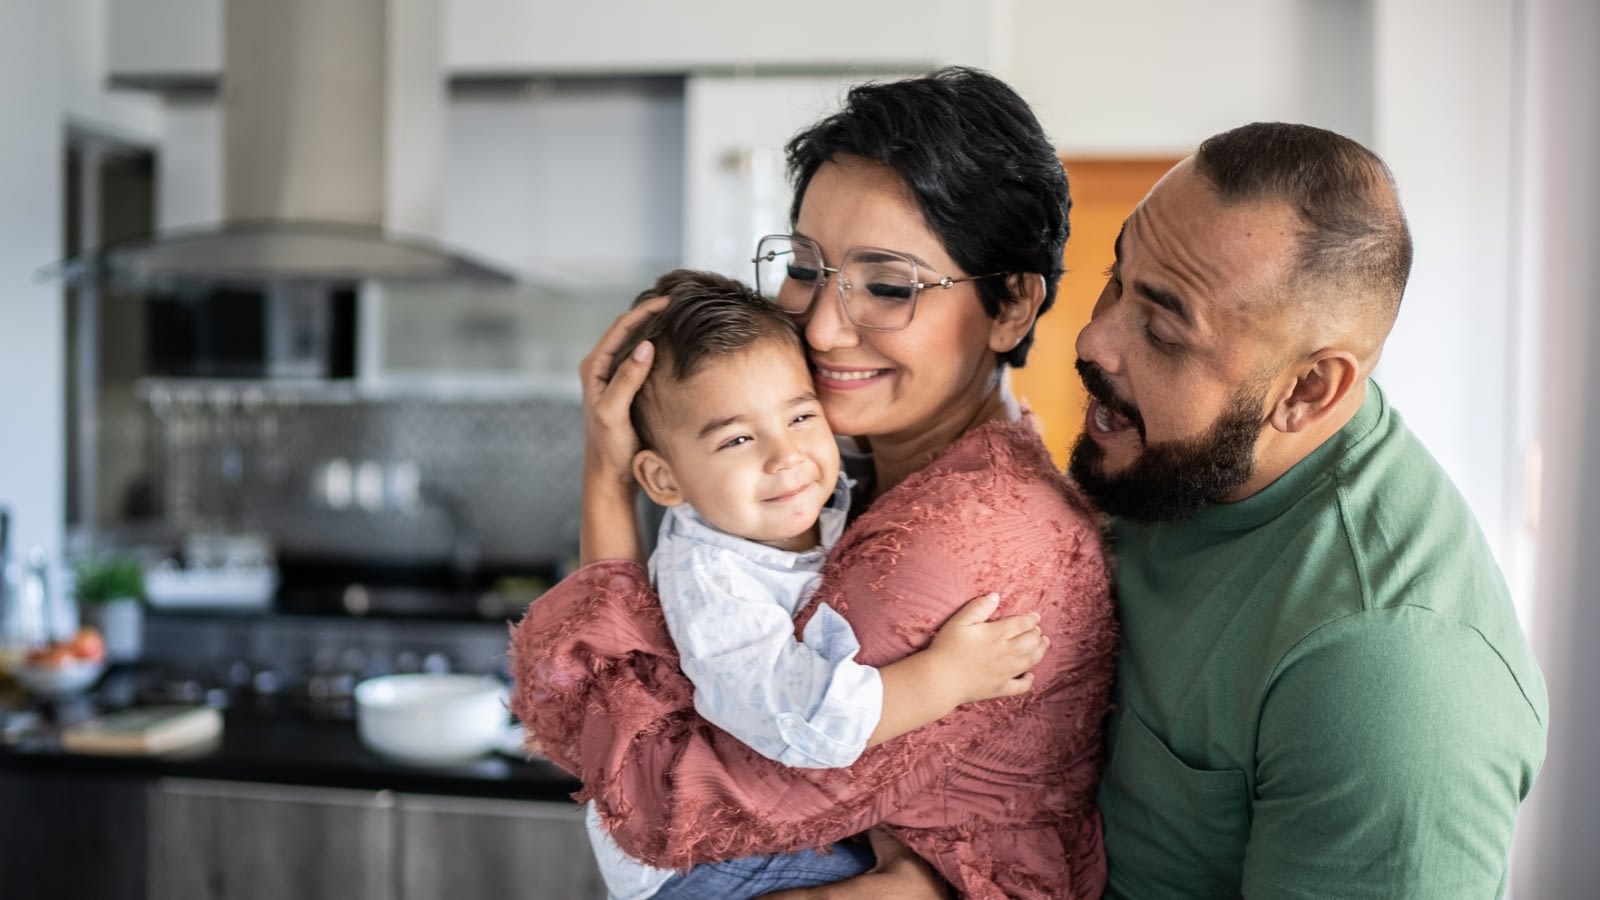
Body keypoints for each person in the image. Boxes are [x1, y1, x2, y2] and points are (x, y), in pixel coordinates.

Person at [509, 66, 1118, 900]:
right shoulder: (845, 474)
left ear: (1011, 304)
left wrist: (607, 483)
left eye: (889, 285)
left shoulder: (959, 540)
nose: (823, 327)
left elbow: (661, 801)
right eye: (805, 265)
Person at [1063, 122, 1545, 897]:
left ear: (1308, 391)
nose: (1094, 339)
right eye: (1116, 278)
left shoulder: (1392, 678)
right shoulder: (1175, 460)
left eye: (1161, 327)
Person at [583, 268, 1051, 900]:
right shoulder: (712, 581)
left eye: (802, 416)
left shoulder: (804, 506)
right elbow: (796, 717)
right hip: (705, 868)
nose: (786, 456)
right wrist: (947, 677)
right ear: (664, 481)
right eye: (738, 438)